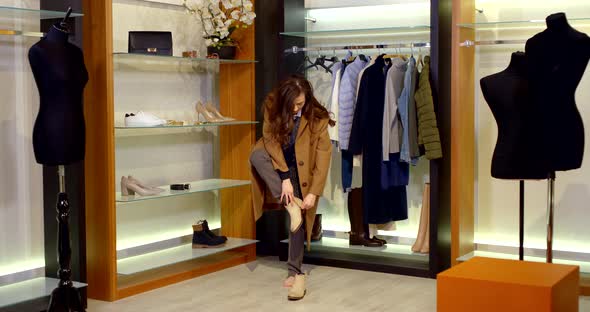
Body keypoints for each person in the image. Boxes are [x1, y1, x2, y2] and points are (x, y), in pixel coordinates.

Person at [250, 75, 334, 301]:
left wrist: (313, 192)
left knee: (299, 216)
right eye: (293, 104)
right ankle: (291, 205)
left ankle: (294, 270)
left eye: (301, 103)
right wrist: (284, 177)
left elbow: (324, 157)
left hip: (302, 166)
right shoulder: (272, 106)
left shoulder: (318, 118)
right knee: (256, 154)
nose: (297, 108)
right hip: (278, 160)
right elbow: (269, 140)